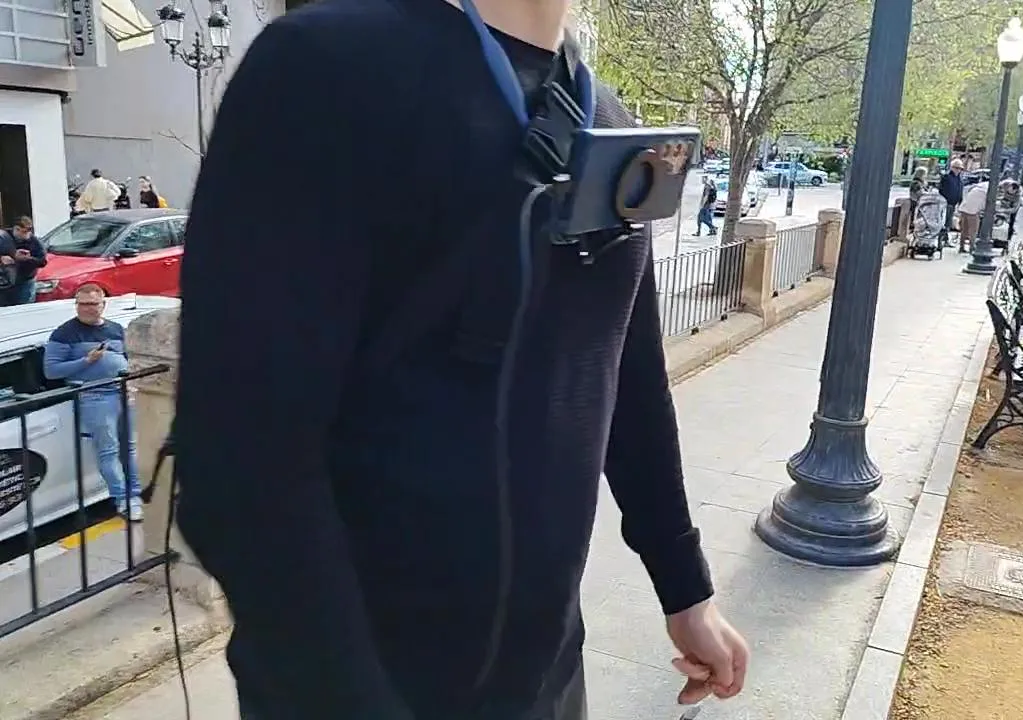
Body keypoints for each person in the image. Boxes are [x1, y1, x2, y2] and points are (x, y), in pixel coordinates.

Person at [173, 1, 750, 719]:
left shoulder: (605, 114)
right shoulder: (326, 67)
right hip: (360, 686)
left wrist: (685, 586)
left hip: (546, 679)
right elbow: (239, 463)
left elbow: (628, 379)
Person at [42, 284, 143, 521]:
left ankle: (137, 494)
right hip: (94, 396)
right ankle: (123, 500)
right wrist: (86, 361)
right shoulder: (64, 334)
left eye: (93, 304)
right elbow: (51, 371)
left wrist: (131, 381)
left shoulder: (115, 329)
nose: (87, 308)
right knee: (109, 450)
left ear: (103, 305)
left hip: (122, 392)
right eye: (82, 304)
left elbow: (127, 358)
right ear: (76, 305)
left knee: (129, 447)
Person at [0, 217, 47, 305]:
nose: (27, 235)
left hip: (25, 282)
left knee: (24, 307)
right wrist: (2, 258)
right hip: (4, 282)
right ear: (17, 229)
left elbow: (42, 261)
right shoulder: (3, 238)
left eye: (29, 232)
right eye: (24, 232)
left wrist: (28, 259)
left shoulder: (34, 241)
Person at [937, 159, 965, 245]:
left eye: (960, 169)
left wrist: (960, 202)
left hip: (953, 204)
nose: (958, 170)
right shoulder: (946, 177)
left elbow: (960, 191)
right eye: (957, 168)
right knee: (944, 222)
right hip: (946, 203)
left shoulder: (959, 179)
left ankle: (945, 240)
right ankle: (941, 240)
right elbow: (941, 190)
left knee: (948, 223)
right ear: (952, 167)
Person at [956, 178, 987, 253]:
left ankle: (961, 247)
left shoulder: (978, 187)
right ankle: (972, 247)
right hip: (973, 211)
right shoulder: (987, 190)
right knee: (973, 230)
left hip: (964, 208)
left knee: (964, 229)